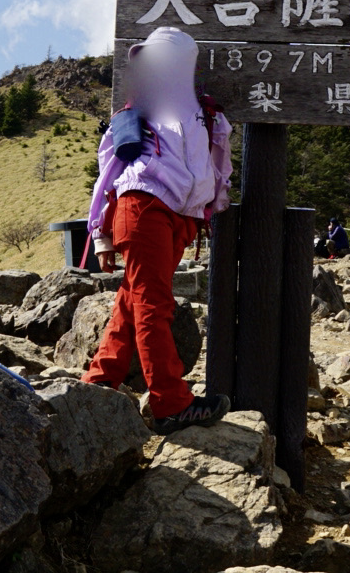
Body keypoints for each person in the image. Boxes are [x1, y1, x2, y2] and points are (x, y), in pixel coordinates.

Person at [83, 27, 233, 435]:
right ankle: (170, 402)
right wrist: (100, 233)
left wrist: (210, 209)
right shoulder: (136, 112)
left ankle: (97, 383)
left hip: (180, 218)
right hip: (141, 206)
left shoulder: (205, 113)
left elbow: (217, 169)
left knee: (134, 300)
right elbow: (107, 174)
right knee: (153, 303)